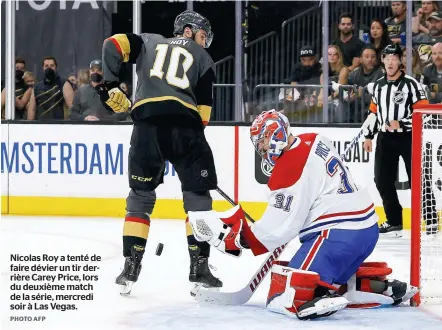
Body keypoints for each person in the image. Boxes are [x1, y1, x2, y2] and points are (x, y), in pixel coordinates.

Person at [188, 109, 417, 320]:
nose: (262, 148)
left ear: (275, 134)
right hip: (365, 230)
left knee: (284, 292)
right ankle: (384, 288)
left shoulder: (289, 168)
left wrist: (235, 238)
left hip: (337, 235)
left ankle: (314, 298)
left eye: (263, 141)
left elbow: (277, 229)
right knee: (334, 277)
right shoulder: (314, 138)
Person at [96, 10, 221, 295]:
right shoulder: (204, 59)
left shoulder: (148, 40)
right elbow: (203, 117)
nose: (204, 42)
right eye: (202, 35)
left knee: (139, 197)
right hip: (185, 126)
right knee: (197, 198)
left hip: (146, 123)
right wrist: (193, 157)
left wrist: (110, 85)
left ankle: (130, 268)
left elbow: (111, 45)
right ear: (188, 31)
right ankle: (199, 269)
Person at [363, 44, 438, 237]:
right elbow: (373, 112)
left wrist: (402, 123)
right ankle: (394, 221)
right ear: (383, 61)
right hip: (385, 138)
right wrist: (369, 136)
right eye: (386, 58)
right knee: (381, 179)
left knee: (418, 179)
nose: (390, 62)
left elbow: (424, 113)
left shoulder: (412, 84)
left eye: (393, 58)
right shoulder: (378, 85)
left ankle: (430, 220)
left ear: (400, 61)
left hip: (408, 138)